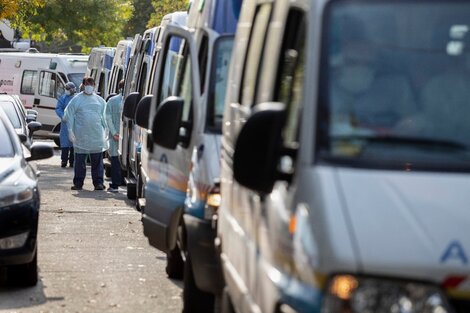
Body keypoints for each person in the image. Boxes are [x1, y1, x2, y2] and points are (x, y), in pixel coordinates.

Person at [64, 77, 109, 191]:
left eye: (91, 83)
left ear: (94, 85)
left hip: (96, 136)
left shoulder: (100, 101)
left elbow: (105, 117)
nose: (89, 85)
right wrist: (70, 130)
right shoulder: (76, 100)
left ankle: (98, 182)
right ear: (83, 85)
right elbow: (69, 115)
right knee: (79, 161)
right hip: (81, 136)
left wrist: (107, 130)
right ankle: (78, 183)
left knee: (97, 162)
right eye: (87, 83)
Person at [105, 79, 124, 193]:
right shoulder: (134, 100)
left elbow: (108, 118)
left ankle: (115, 184)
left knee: (115, 160)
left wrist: (114, 133)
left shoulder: (112, 101)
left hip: (115, 136)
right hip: (129, 137)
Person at [55, 82, 76, 168]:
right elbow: (58, 108)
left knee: (73, 143)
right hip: (65, 123)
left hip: (75, 123)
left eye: (68, 89)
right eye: (66, 89)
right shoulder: (63, 98)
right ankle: (64, 160)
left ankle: (72, 161)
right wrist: (62, 116)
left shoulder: (76, 98)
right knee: (65, 143)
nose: (67, 90)